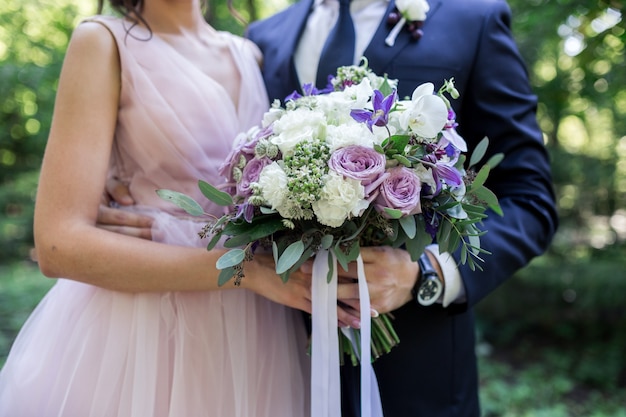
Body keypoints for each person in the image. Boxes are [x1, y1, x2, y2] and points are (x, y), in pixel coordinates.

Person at [99, 0, 558, 416]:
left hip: (418, 375)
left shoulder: (471, 18)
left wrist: (428, 274)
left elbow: (529, 197)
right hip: (274, 362)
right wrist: (126, 174)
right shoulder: (265, 38)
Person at [0, 0, 320, 416]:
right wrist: (248, 272)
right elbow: (58, 244)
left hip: (255, 331)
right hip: (143, 330)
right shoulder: (104, 42)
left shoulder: (249, 54)